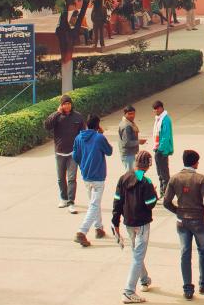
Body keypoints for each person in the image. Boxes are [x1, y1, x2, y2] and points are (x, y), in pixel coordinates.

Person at [163, 150, 204, 300]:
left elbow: (166, 202)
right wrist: (202, 212)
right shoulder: (200, 179)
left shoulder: (174, 179)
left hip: (182, 221)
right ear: (195, 162)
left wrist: (178, 211)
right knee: (203, 251)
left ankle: (187, 288)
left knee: (185, 253)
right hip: (198, 220)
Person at [112, 150, 159, 303]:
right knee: (138, 255)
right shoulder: (146, 183)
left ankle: (144, 279)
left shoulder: (123, 178)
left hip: (128, 222)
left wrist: (115, 222)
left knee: (136, 253)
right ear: (148, 166)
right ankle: (128, 291)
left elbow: (117, 201)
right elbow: (150, 204)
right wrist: (155, 195)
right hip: (142, 224)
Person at [72, 114, 113, 247]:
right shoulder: (99, 138)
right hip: (98, 177)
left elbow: (75, 156)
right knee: (94, 205)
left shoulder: (78, 138)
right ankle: (81, 232)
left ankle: (99, 228)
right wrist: (101, 134)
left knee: (94, 203)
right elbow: (109, 151)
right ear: (97, 125)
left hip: (86, 176)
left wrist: (83, 165)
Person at [44, 95, 86, 213]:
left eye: (69, 103)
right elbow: (47, 126)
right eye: (64, 104)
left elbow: (83, 132)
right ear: (61, 105)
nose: (67, 106)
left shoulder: (77, 116)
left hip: (73, 152)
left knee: (72, 178)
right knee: (60, 178)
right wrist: (57, 113)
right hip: (59, 152)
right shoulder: (57, 116)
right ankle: (64, 198)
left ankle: (71, 202)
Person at [152, 101, 174, 195]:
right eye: (154, 109)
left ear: (161, 108)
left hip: (162, 150)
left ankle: (166, 193)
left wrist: (160, 149)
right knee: (160, 173)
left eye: (157, 109)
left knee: (164, 173)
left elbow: (166, 136)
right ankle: (162, 192)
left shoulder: (165, 120)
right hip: (158, 148)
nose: (155, 111)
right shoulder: (159, 119)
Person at [118, 105, 146, 172]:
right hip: (128, 154)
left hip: (130, 154)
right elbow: (126, 143)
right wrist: (138, 142)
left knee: (135, 174)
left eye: (133, 114)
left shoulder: (129, 123)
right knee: (130, 176)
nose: (132, 116)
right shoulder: (127, 126)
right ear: (125, 114)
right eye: (130, 114)